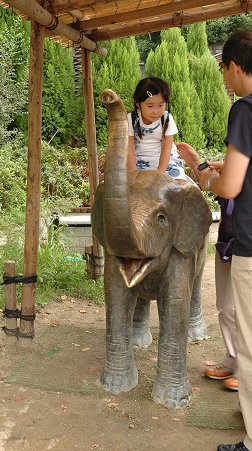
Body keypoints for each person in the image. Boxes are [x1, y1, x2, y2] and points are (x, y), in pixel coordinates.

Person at [180, 31, 252, 451]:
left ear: (236, 67)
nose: (225, 79)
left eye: (225, 70)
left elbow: (231, 186)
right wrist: (205, 162)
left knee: (249, 339)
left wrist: (205, 178)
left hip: (248, 242)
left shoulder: (243, 110)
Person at [176, 142, 238, 392]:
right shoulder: (236, 163)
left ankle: (248, 372)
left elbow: (219, 185)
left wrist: (199, 164)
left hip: (247, 244)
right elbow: (216, 184)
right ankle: (233, 359)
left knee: (246, 310)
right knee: (226, 306)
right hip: (229, 241)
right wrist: (199, 163)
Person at [127, 76, 187, 182]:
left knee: (180, 185)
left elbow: (167, 149)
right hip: (141, 160)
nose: (156, 111)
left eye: (160, 105)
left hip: (167, 161)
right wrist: (133, 173)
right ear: (138, 104)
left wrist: (160, 173)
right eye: (150, 106)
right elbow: (129, 148)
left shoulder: (166, 119)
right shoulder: (131, 119)